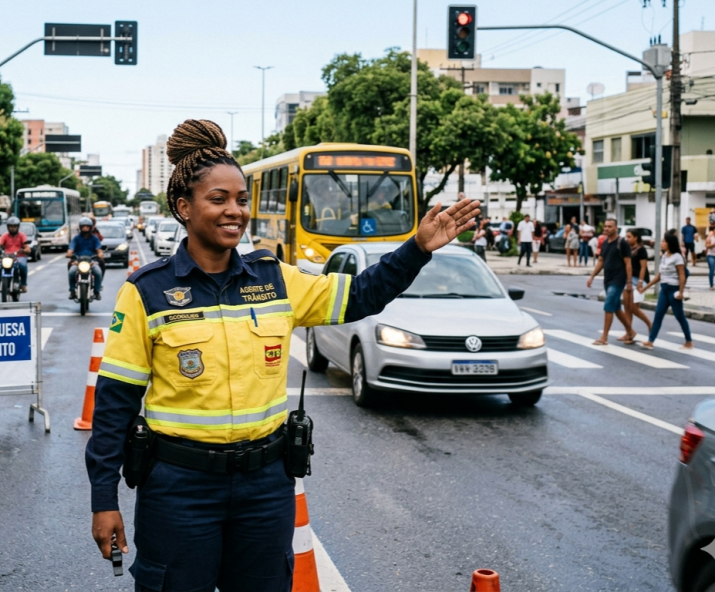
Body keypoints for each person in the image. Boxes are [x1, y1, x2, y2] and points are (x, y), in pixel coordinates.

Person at [85, 119, 480, 592]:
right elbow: (115, 403)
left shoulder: (275, 279)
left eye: (241, 199)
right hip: (178, 491)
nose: (235, 211)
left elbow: (360, 295)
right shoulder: (146, 291)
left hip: (265, 489)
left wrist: (416, 249)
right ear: (184, 207)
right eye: (218, 199)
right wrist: (103, 498)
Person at [639, 231, 693, 349]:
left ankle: (689, 341)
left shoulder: (677, 257)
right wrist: (645, 288)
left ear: (669, 243)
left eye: (664, 241)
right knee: (658, 315)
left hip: (674, 290)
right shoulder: (664, 256)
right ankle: (650, 341)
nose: (661, 243)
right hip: (664, 290)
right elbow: (659, 276)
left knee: (679, 316)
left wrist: (681, 292)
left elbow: (682, 275)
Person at [586, 218, 635, 345]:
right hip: (607, 279)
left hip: (618, 280)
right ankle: (630, 331)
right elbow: (601, 261)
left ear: (616, 228)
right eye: (605, 226)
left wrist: (629, 282)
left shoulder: (622, 243)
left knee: (608, 305)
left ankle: (604, 337)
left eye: (609, 226)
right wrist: (592, 276)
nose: (606, 228)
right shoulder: (605, 243)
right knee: (616, 308)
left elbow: (628, 263)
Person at [67, 216, 104, 300]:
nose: (85, 228)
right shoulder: (76, 238)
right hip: (78, 262)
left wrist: (100, 254)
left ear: (91, 227)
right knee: (71, 272)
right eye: (83, 226)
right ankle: (72, 291)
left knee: (98, 272)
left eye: (87, 226)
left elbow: (99, 249)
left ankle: (97, 291)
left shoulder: (95, 238)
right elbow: (71, 248)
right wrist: (69, 253)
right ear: (80, 227)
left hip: (92, 261)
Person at [0, 216, 31, 294]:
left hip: (19, 257)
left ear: (18, 227)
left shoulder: (22, 235)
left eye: (14, 226)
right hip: (7, 257)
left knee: (22, 265)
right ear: (8, 227)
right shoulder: (5, 235)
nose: (13, 228)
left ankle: (23, 284)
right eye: (11, 226)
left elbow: (27, 248)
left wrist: (23, 250)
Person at [624, 229, 652, 335]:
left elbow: (643, 267)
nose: (627, 239)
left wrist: (640, 282)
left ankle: (650, 324)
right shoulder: (627, 249)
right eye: (626, 236)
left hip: (639, 280)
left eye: (629, 237)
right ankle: (629, 332)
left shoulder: (641, 250)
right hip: (629, 280)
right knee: (627, 307)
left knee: (633, 308)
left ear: (635, 238)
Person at [706, 225, 715, 291]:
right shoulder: (710, 237)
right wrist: (714, 244)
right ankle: (711, 285)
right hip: (711, 255)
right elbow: (707, 246)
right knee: (712, 269)